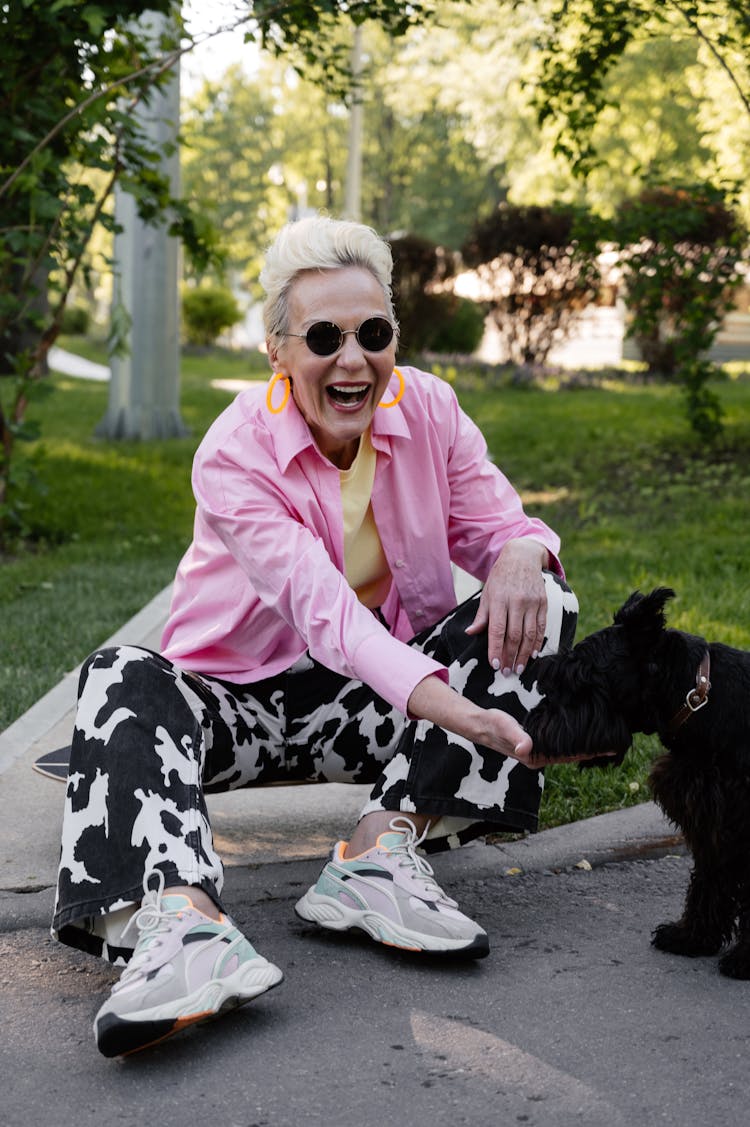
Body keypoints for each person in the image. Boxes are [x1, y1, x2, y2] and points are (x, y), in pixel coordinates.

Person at [52, 214, 592, 1059]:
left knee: (543, 598)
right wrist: (455, 708)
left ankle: (379, 857)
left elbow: (502, 525)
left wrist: (525, 547)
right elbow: (325, 613)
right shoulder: (235, 451)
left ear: (394, 339)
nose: (353, 358)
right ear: (278, 350)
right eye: (323, 336)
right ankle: (182, 931)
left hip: (360, 706)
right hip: (234, 706)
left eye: (373, 333)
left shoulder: (432, 409)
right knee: (118, 674)